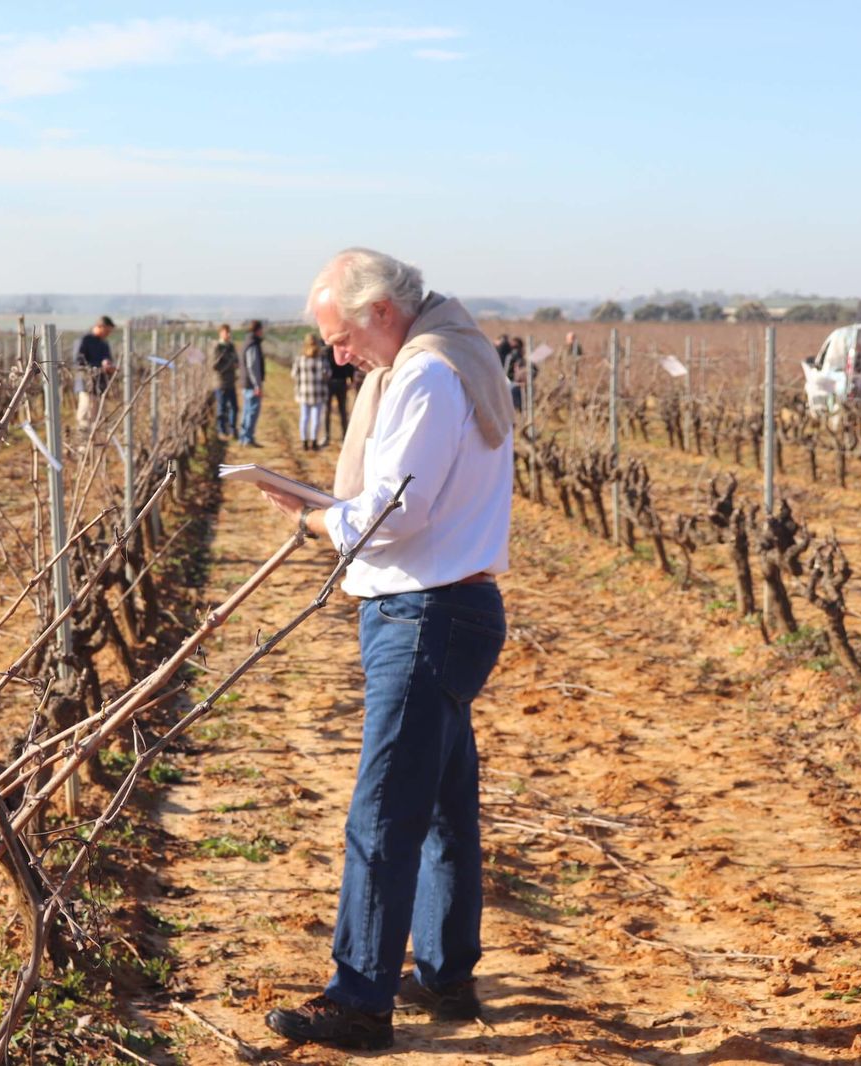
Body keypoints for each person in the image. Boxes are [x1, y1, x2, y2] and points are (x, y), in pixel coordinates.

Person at [258, 248, 514, 1051]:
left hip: (426, 613)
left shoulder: (427, 376)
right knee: (441, 807)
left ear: (378, 313)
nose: (337, 357)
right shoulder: (450, 358)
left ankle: (361, 1001)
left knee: (383, 811)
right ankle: (443, 974)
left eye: (339, 338)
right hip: (448, 606)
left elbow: (394, 513)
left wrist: (314, 519)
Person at [73, 315, 117, 428]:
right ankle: (84, 445)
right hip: (87, 386)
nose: (108, 334)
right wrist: (98, 367)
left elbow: (108, 359)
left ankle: (94, 444)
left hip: (100, 387)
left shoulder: (104, 344)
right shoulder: (85, 340)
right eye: (107, 331)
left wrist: (109, 367)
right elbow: (78, 362)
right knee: (85, 417)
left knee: (97, 419)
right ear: (100, 326)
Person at [293, 331, 331, 450]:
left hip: (304, 392)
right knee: (316, 419)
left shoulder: (300, 359)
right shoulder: (321, 359)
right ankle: (314, 442)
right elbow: (328, 374)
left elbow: (294, 374)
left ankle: (304, 442)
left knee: (304, 418)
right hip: (318, 392)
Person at [238, 319, 266, 447]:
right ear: (258, 330)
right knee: (252, 411)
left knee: (247, 410)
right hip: (251, 384)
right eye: (261, 329)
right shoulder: (253, 345)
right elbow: (252, 366)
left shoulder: (246, 342)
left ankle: (243, 437)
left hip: (246, 383)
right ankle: (247, 438)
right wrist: (257, 385)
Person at [323, 336, 354, 446]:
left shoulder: (325, 352)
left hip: (330, 383)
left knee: (328, 410)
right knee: (342, 410)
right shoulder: (342, 350)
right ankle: (344, 436)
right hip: (341, 382)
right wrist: (351, 379)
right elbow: (349, 366)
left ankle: (327, 437)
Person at [213, 323, 240, 438]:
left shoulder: (231, 347)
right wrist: (230, 364)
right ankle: (221, 430)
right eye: (226, 332)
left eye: (229, 332)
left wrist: (234, 364)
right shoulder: (217, 348)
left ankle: (232, 429)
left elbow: (237, 361)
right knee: (221, 408)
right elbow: (215, 365)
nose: (228, 334)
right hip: (221, 382)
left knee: (234, 407)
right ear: (220, 333)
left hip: (231, 381)